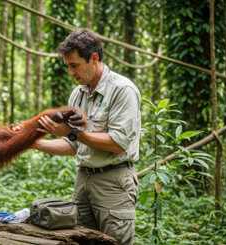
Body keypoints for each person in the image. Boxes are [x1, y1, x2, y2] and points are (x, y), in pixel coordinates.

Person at [18, 29, 141, 245]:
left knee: (115, 242)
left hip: (113, 182)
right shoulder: (78, 93)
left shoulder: (122, 90)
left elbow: (118, 143)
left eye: (74, 65)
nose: (70, 72)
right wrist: (32, 143)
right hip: (83, 180)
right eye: (67, 66)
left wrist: (73, 132)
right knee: (79, 240)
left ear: (94, 58)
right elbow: (72, 145)